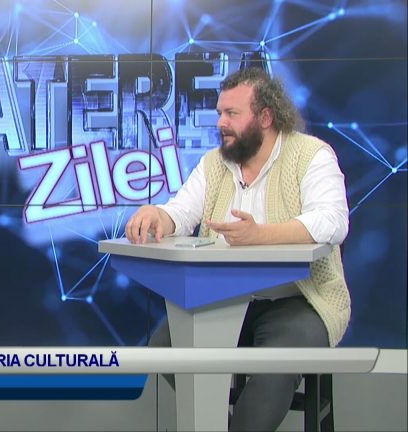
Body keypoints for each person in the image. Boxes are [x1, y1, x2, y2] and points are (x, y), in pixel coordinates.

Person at [125, 67, 350, 431]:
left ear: (265, 117)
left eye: (231, 113)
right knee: (165, 346)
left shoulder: (311, 155)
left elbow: (333, 221)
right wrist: (159, 215)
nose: (221, 123)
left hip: (298, 301)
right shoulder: (214, 164)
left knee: (275, 365)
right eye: (219, 113)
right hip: (223, 300)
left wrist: (260, 235)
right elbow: (181, 211)